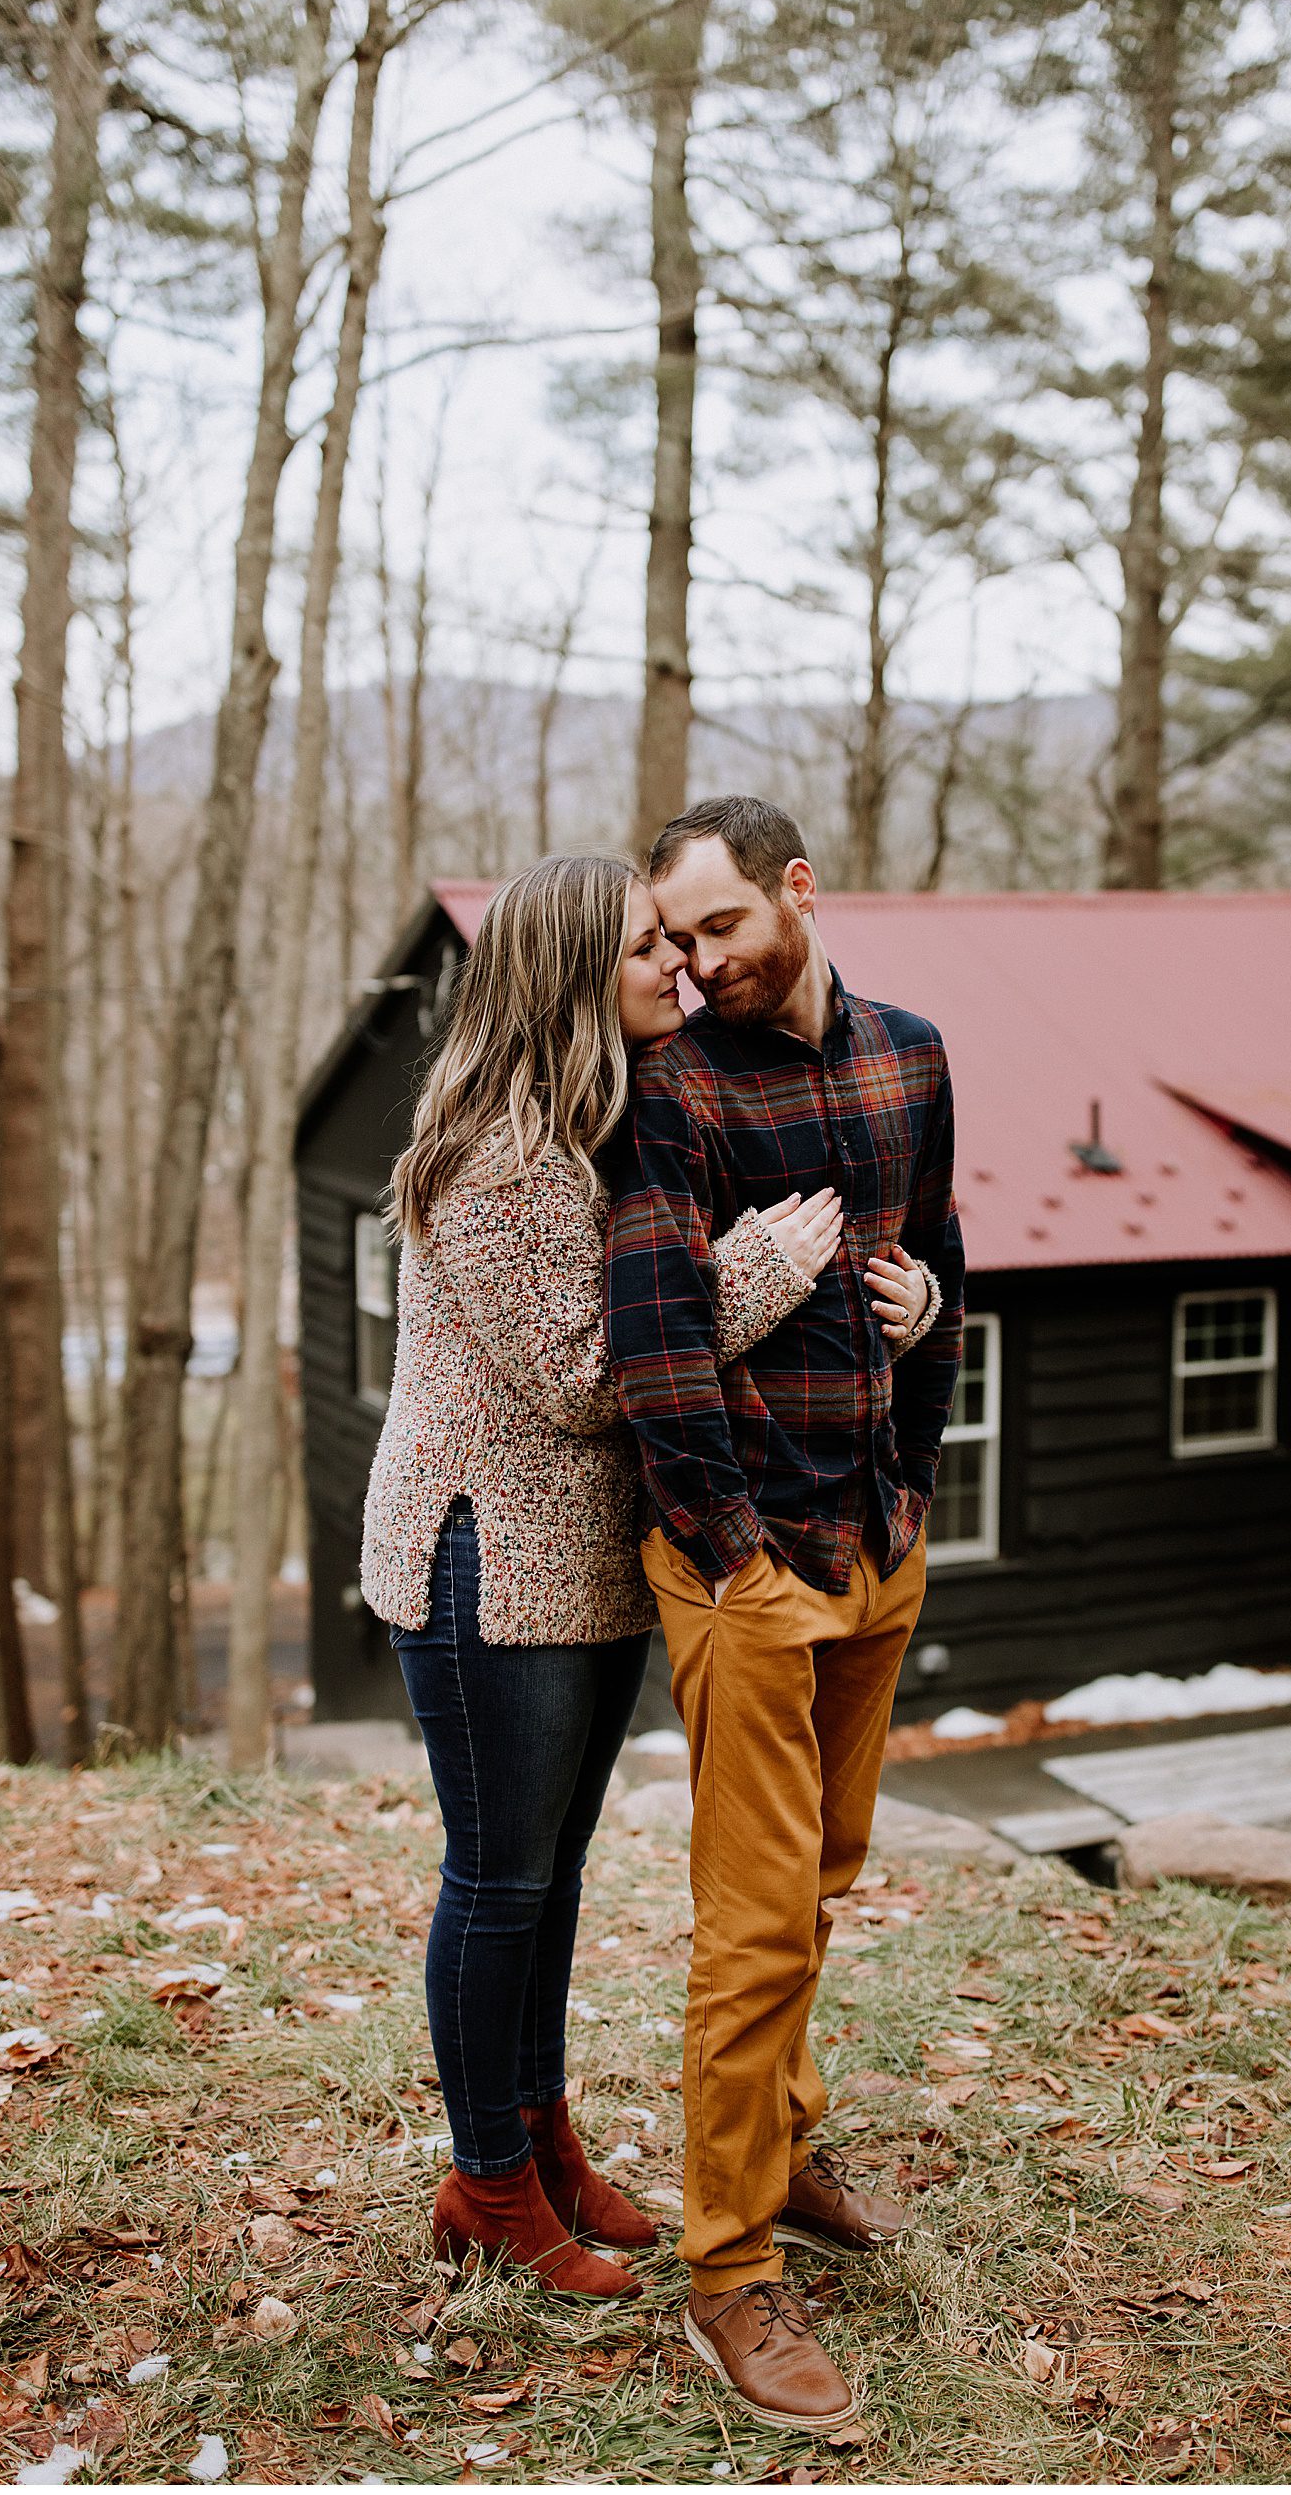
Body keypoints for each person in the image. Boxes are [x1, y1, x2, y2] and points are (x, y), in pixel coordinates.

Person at [358, 852, 934, 2303]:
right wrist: (758, 1268)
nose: (671, 973)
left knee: (542, 1882)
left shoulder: (590, 1118)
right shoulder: (494, 1148)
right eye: (638, 953)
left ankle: (538, 2148)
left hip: (583, 1564)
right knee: (495, 1881)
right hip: (489, 1560)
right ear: (564, 977)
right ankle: (488, 2184)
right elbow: (570, 1378)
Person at [607, 797, 965, 2429]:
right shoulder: (665, 1094)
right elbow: (657, 1343)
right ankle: (728, 2274)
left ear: (795, 893)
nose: (691, 966)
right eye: (671, 941)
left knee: (821, 1881)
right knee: (751, 1934)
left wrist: (932, 1353)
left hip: (875, 1537)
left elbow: (937, 1257)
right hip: (749, 1562)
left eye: (717, 930)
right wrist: (730, 1545)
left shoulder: (911, 1054)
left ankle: (786, 2149)